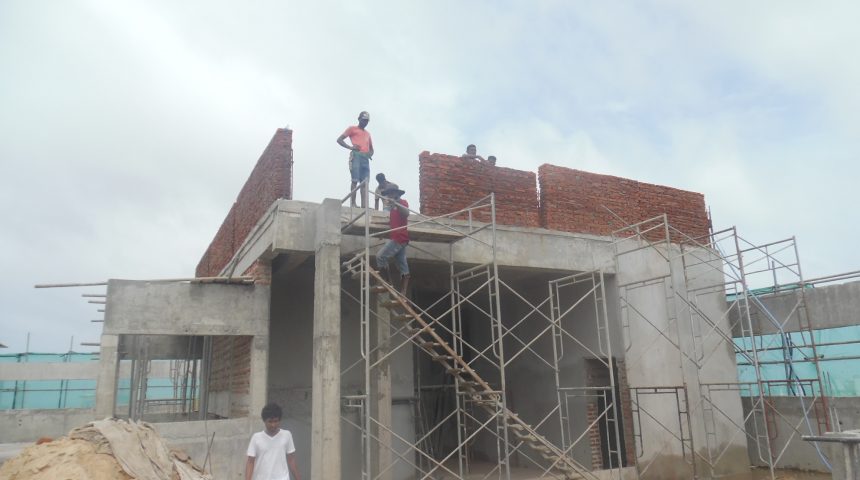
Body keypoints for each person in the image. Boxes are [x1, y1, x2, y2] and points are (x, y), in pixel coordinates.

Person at [246, 403, 301, 480]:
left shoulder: (287, 435)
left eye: (276, 421)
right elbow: (250, 462)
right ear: (264, 421)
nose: (273, 425)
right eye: (270, 421)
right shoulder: (256, 438)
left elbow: (291, 459)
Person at [376, 186, 410, 294]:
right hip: (398, 238)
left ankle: (387, 283)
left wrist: (396, 203)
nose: (388, 196)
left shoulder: (403, 202)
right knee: (402, 266)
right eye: (388, 194)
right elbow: (392, 223)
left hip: (399, 237)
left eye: (390, 193)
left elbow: (406, 213)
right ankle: (403, 292)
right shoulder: (392, 210)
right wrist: (379, 226)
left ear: (396, 193)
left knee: (380, 257)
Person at [337, 111, 374, 208]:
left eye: (366, 121)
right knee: (355, 180)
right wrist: (350, 147)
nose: (365, 122)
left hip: (365, 158)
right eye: (363, 120)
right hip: (356, 155)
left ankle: (364, 206)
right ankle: (353, 203)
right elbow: (339, 140)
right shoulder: (352, 129)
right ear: (359, 119)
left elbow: (371, 149)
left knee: (365, 183)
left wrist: (369, 154)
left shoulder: (367, 134)